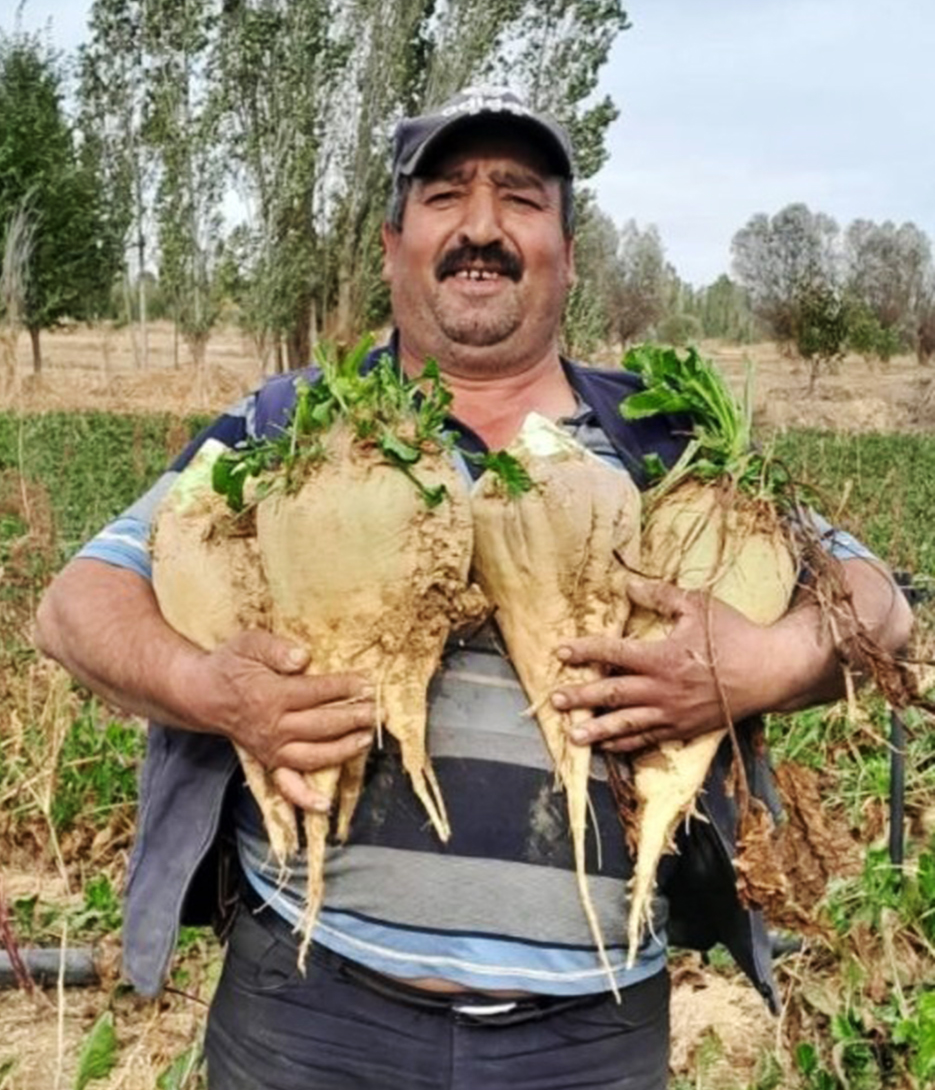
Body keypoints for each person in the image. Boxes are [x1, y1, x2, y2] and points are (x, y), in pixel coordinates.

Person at [36, 89, 912, 1090]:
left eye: (520, 198)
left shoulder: (669, 438)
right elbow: (77, 605)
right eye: (446, 194)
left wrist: (758, 660)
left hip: (588, 1030)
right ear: (392, 244)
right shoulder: (287, 425)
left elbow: (874, 600)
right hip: (309, 1007)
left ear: (567, 251)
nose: (482, 225)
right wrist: (212, 688)